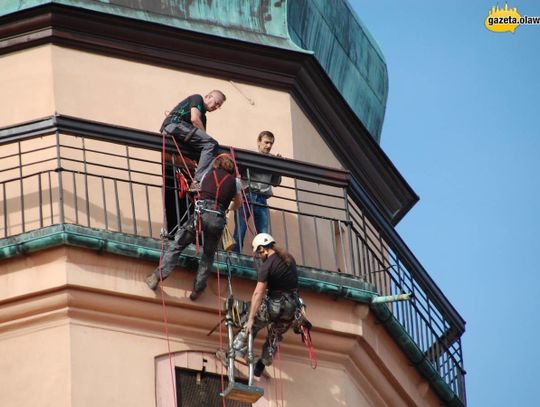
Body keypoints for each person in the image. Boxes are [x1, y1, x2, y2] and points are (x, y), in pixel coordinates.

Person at [146, 154, 241, 300]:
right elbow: (238, 203)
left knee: (178, 243)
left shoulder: (206, 175)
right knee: (208, 255)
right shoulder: (235, 183)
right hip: (217, 218)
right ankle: (198, 289)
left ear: (216, 164)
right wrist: (229, 208)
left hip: (200, 215)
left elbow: (197, 189)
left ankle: (157, 276)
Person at [231, 233, 299, 377]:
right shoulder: (289, 259)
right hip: (292, 309)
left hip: (275, 306)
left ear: (263, 249)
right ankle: (262, 364)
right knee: (274, 336)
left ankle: (234, 351)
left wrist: (250, 319)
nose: (259, 256)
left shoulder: (267, 266)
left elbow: (258, 294)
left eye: (258, 252)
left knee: (252, 323)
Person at [161, 90, 226, 187]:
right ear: (208, 97)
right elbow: (194, 119)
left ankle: (201, 180)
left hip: (180, 131)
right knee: (212, 145)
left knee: (210, 150)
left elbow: (203, 143)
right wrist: (208, 140)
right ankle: (198, 181)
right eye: (216, 103)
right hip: (174, 125)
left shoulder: (203, 118)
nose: (216, 107)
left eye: (218, 106)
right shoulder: (197, 98)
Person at [233, 131, 281, 253]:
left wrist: (278, 167)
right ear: (259, 142)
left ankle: (266, 259)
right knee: (240, 230)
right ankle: (235, 256)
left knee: (264, 232)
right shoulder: (250, 155)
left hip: (261, 198)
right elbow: (238, 170)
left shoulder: (273, 160)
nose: (269, 146)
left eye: (271, 143)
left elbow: (276, 182)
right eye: (266, 142)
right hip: (247, 195)